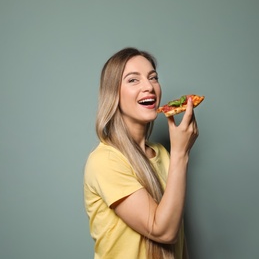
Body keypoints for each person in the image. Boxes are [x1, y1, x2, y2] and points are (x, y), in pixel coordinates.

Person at [84, 47, 199, 259]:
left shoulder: (162, 154)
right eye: (133, 80)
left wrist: (176, 154)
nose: (149, 87)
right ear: (113, 93)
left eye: (153, 77)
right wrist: (181, 153)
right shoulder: (106, 161)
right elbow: (164, 231)